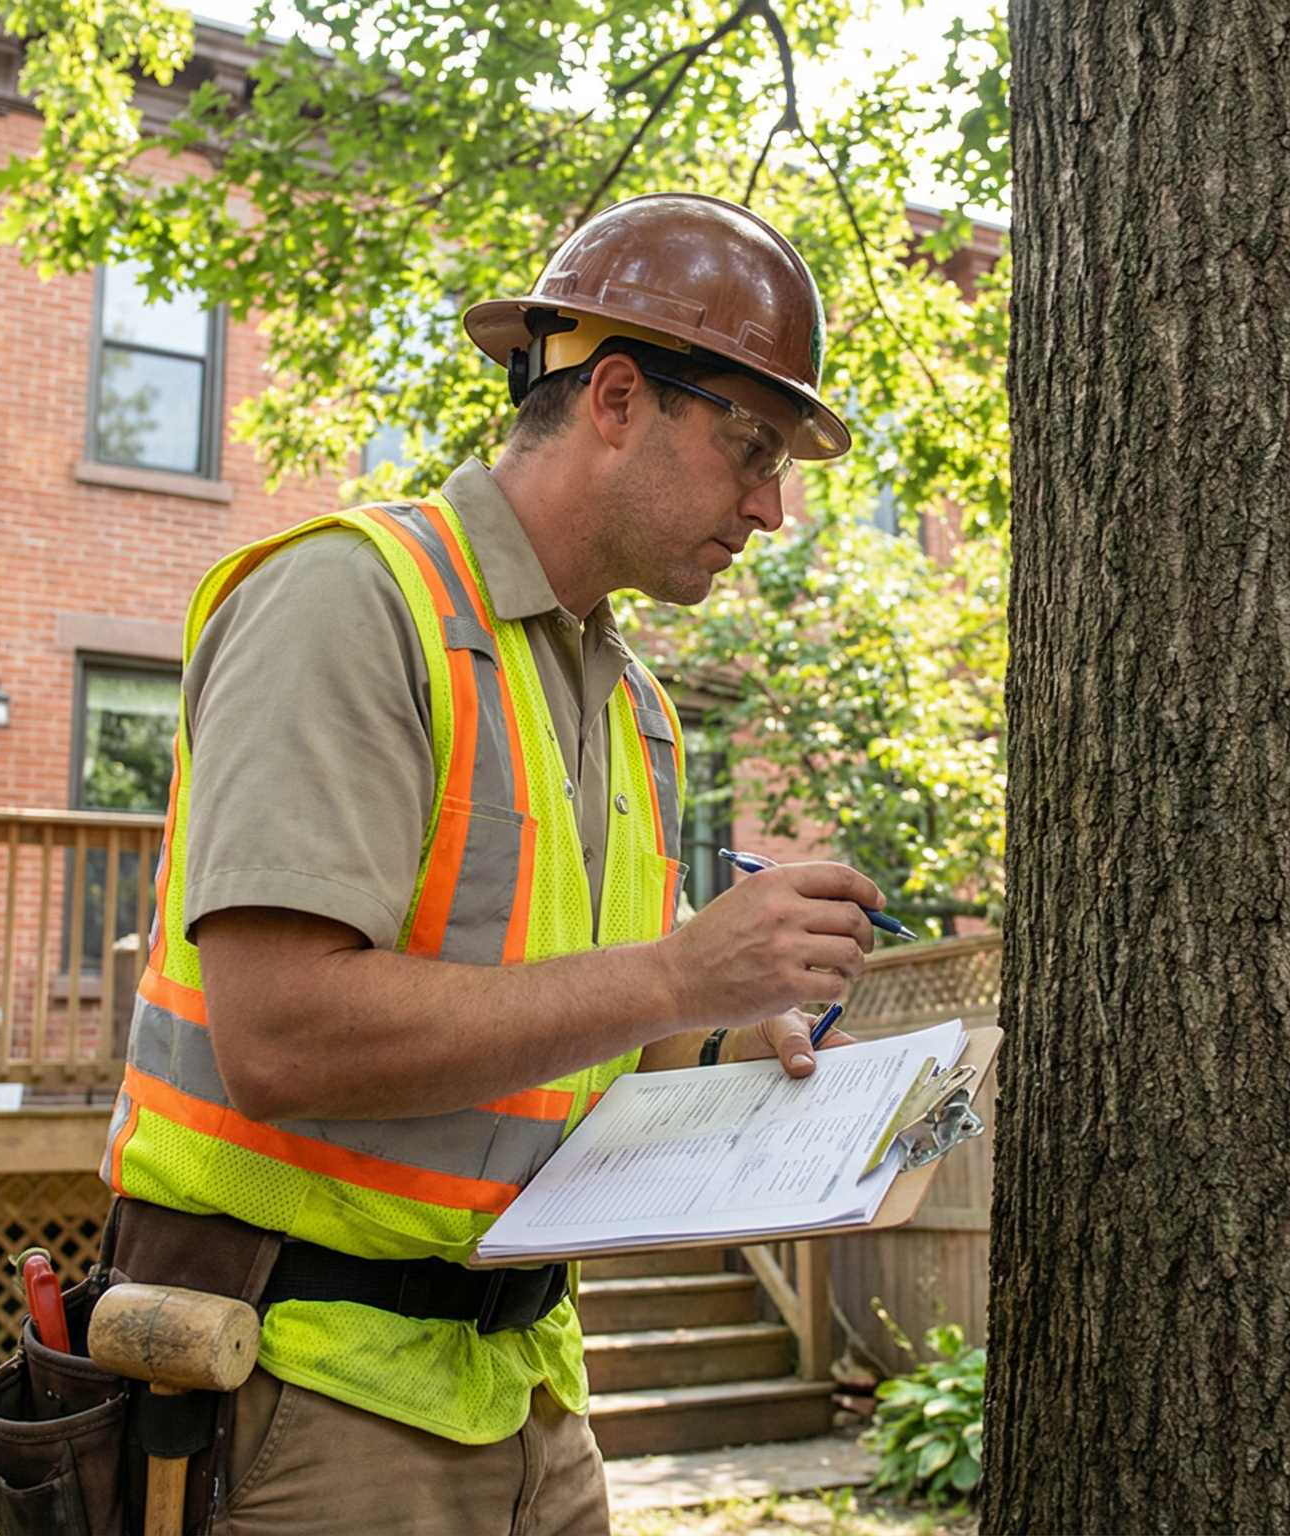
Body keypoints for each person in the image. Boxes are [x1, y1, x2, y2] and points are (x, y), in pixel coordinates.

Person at [100, 192, 891, 1535]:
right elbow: (281, 1038)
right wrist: (672, 973)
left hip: (526, 1389)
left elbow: (610, 1034)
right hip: (297, 1387)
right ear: (621, 399)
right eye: (752, 447)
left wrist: (742, 1041)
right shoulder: (350, 602)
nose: (771, 508)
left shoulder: (635, 707)